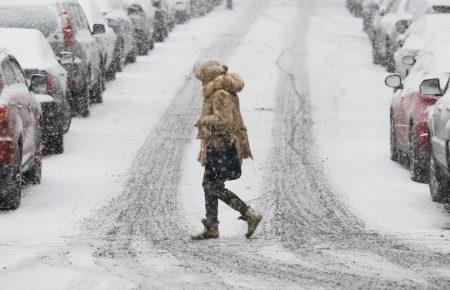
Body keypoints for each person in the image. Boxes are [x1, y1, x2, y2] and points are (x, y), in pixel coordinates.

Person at [191, 60, 263, 240]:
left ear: (208, 75)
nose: (200, 81)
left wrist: (204, 120)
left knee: (212, 185)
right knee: (210, 184)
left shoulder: (220, 94)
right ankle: (212, 226)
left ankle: (249, 213)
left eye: (201, 77)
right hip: (219, 145)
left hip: (223, 146)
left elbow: (224, 121)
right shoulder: (220, 91)